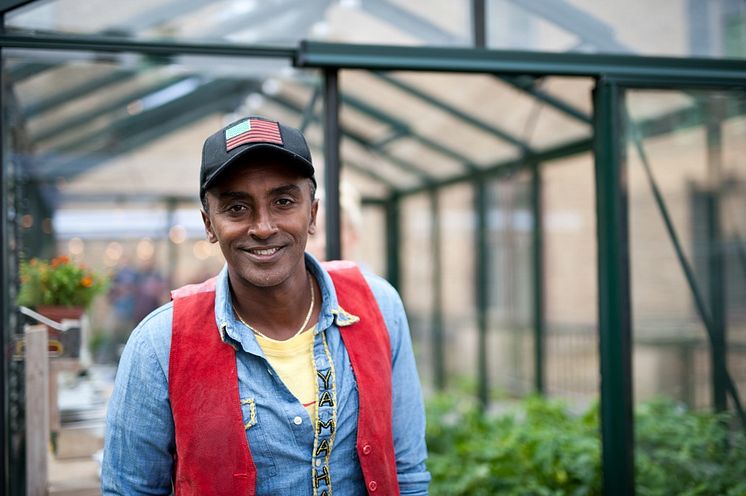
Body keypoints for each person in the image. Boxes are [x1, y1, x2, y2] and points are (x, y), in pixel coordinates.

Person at [102, 116, 430, 495]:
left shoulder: (377, 307)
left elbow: (407, 471)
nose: (262, 226)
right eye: (237, 208)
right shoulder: (160, 344)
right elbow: (131, 489)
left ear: (312, 214)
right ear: (209, 225)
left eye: (283, 201)